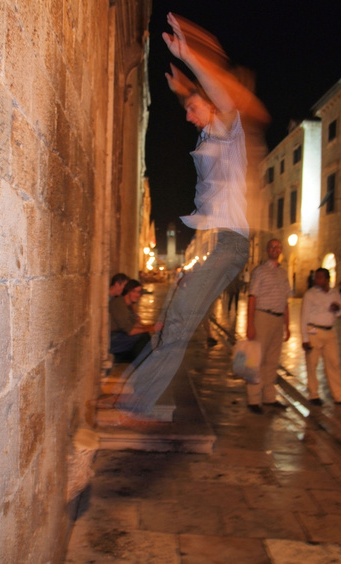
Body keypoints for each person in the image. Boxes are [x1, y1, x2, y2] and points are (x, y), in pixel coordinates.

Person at [108, 13, 268, 426]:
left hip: (230, 245)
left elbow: (222, 101)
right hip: (215, 247)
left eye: (194, 109)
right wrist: (184, 89)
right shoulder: (208, 135)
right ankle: (142, 395)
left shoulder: (228, 136)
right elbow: (201, 101)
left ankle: (137, 401)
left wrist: (192, 58)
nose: (187, 116)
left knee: (177, 322)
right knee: (170, 322)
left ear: (213, 106)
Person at [246, 239, 292, 414]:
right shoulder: (260, 271)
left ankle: (269, 397)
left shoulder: (283, 273)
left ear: (281, 250)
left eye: (278, 246)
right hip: (262, 317)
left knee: (272, 361)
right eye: (272, 246)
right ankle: (253, 399)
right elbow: (252, 297)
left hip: (277, 319)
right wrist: (250, 325)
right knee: (256, 359)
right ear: (267, 250)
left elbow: (285, 300)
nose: (275, 249)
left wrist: (287, 325)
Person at [301, 267, 341, 406]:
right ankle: (313, 394)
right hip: (314, 331)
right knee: (312, 363)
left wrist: (337, 309)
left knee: (333, 363)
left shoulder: (335, 293)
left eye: (319, 277)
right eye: (316, 277)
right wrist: (305, 338)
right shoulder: (310, 294)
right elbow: (304, 317)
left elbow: (339, 313)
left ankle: (338, 394)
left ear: (327, 280)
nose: (316, 280)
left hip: (330, 332)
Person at [109, 279, 164, 362]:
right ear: (127, 291)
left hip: (119, 336)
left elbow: (137, 325)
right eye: (134, 291)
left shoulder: (128, 305)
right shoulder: (119, 304)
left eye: (139, 292)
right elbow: (130, 331)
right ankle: (147, 363)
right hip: (112, 339)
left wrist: (153, 325)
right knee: (141, 337)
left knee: (144, 335)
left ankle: (148, 362)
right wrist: (153, 328)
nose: (137, 295)